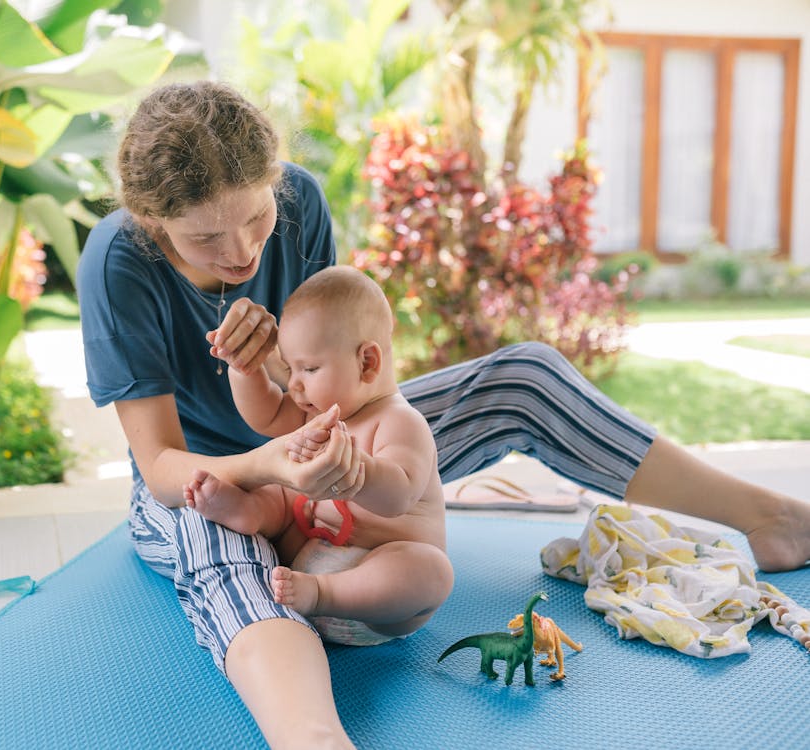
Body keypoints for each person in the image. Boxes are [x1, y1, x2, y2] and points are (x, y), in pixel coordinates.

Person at [77, 79, 810, 749]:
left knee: (522, 373)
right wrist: (269, 468)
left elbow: (327, 370)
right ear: (152, 221)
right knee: (226, 543)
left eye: (256, 218)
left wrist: (288, 389)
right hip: (209, 481)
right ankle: (313, 738)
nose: (240, 250)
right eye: (207, 238)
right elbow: (163, 469)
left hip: (318, 440)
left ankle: (767, 517)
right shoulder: (118, 261)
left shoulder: (299, 201)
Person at [182, 265, 453, 647]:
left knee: (432, 572)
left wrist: (357, 471)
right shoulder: (312, 412)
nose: (293, 383)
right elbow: (267, 414)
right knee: (282, 489)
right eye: (290, 368)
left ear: (367, 363)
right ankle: (248, 512)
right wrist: (246, 369)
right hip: (301, 562)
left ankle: (324, 593)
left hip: (374, 596)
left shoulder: (399, 422)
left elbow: (400, 496)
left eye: (308, 368)